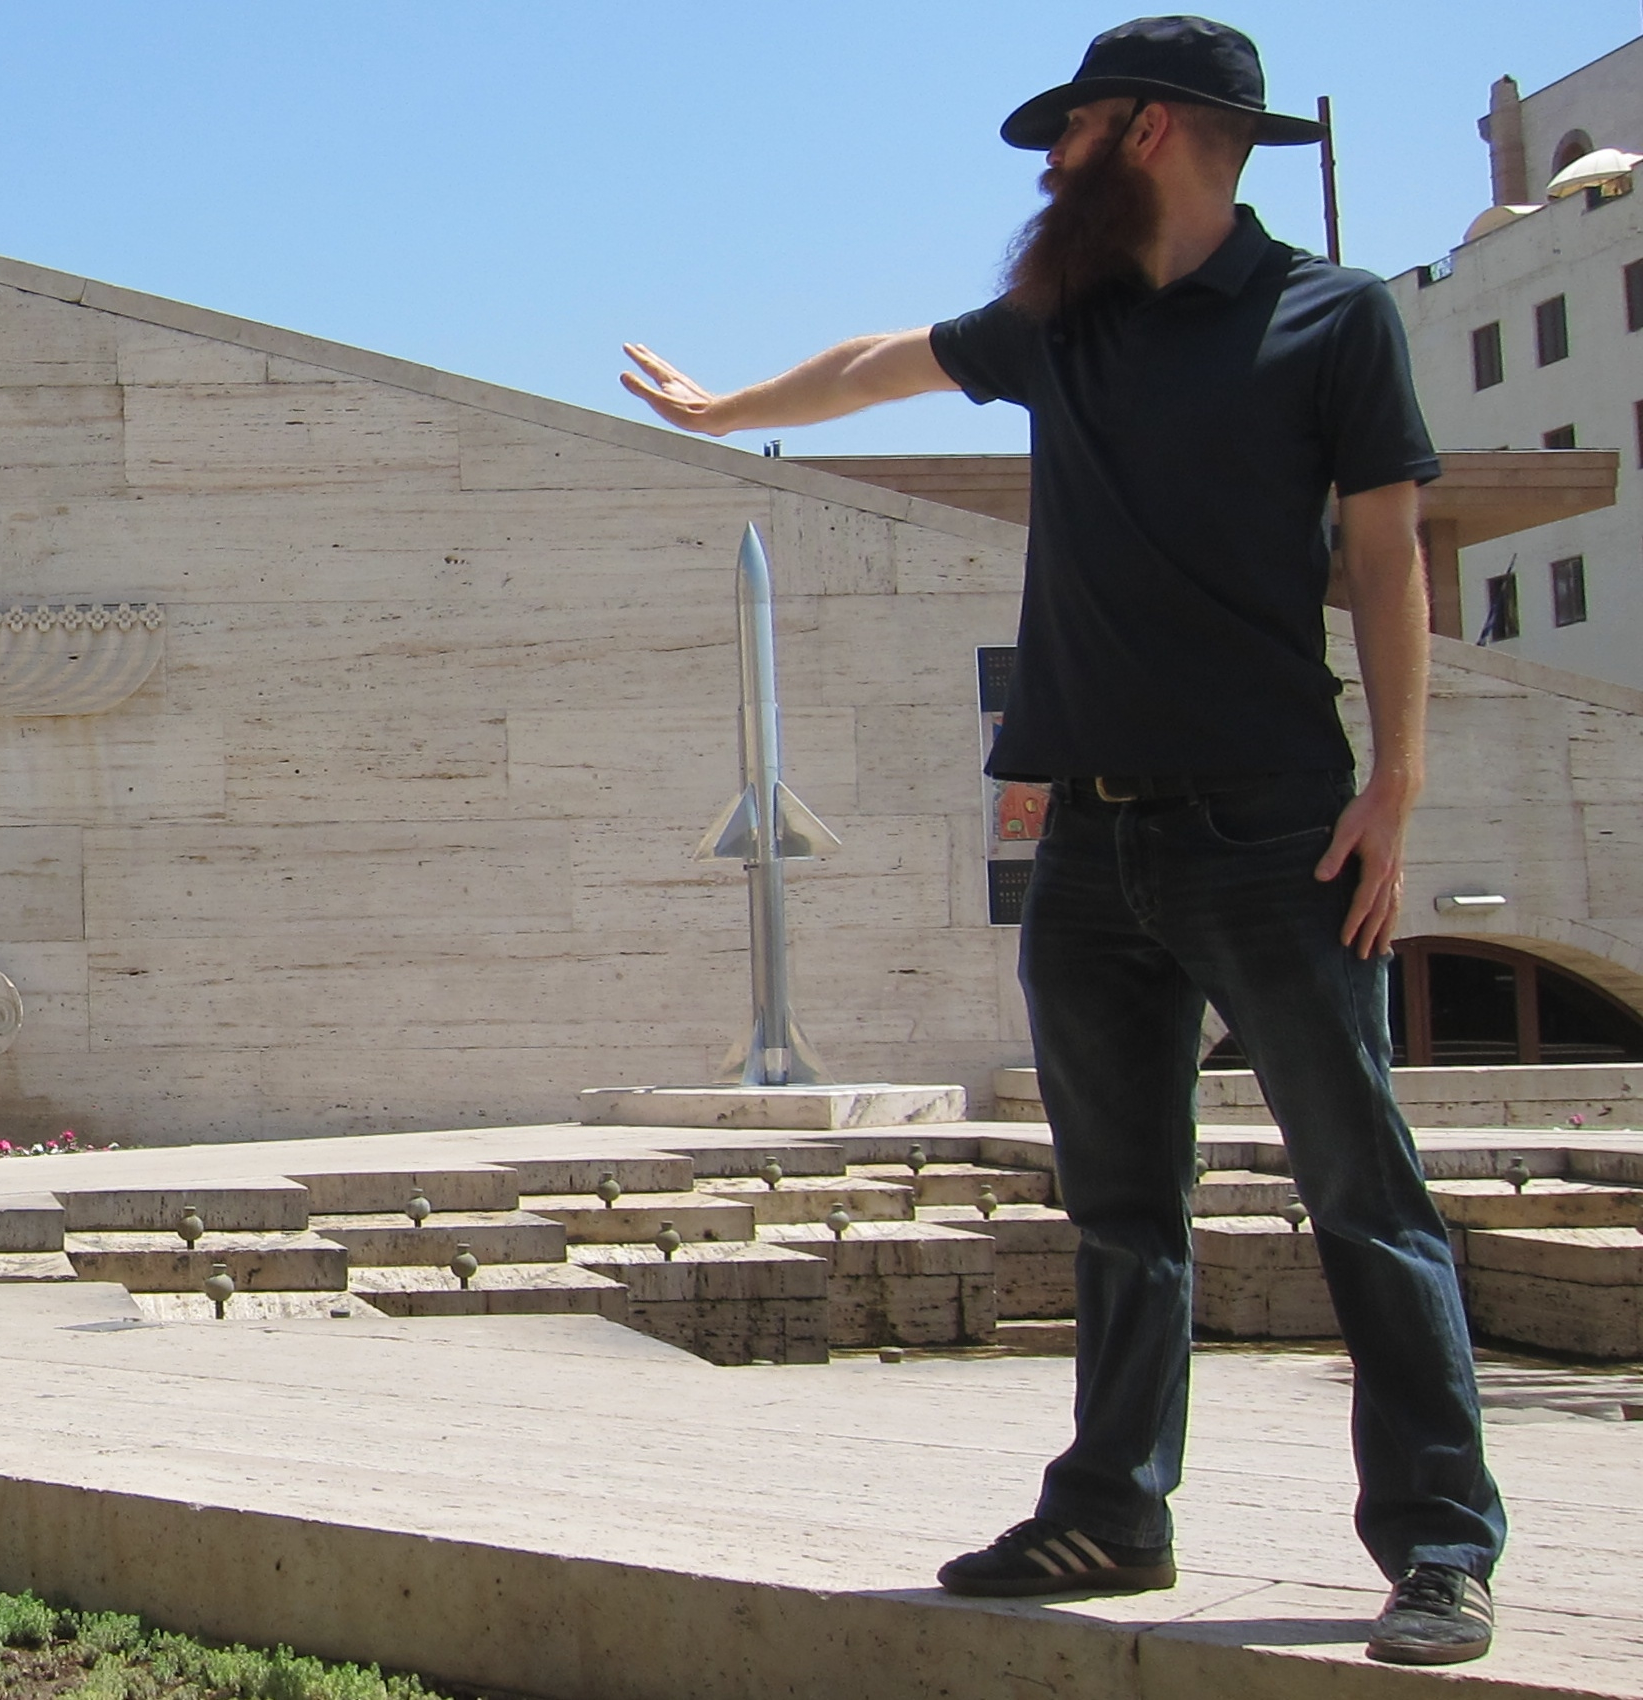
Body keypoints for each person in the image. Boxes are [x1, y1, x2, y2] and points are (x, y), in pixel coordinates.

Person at [615, 16, 1501, 1668]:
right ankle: (1112, 1511)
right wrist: (733, 410)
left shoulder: (1333, 318)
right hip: (1085, 835)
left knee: (1363, 1193)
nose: (1048, 161)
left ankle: (1440, 1549)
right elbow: (888, 357)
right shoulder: (1064, 321)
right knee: (1118, 1204)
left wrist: (1398, 786)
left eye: (1072, 127)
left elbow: (1390, 559)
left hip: (1280, 836)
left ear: (1152, 131)